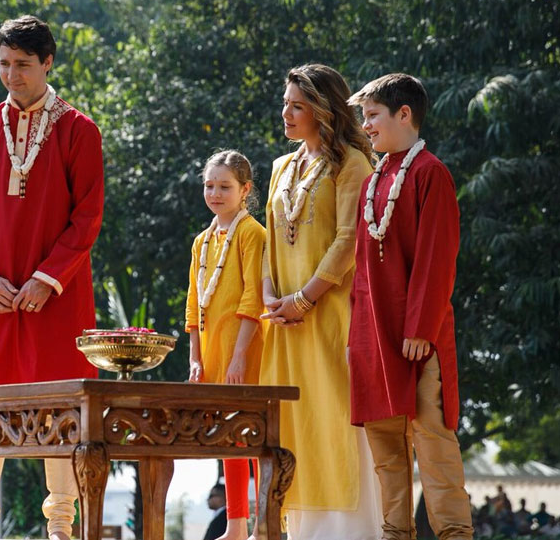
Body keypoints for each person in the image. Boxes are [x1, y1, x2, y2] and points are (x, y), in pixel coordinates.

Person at [0, 15, 104, 540]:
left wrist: (47, 278)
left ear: (48, 63)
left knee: (62, 410)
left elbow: (87, 218)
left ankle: (61, 529)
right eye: (3, 64)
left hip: (56, 300)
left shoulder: (79, 130)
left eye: (22, 64)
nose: (11, 75)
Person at [258, 63, 383, 540]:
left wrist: (304, 300)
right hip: (283, 322)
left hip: (330, 315)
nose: (286, 113)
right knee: (290, 421)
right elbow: (271, 240)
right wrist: (273, 298)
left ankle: (348, 532)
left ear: (324, 110)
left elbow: (348, 240)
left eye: (297, 105)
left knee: (332, 416)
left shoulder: (353, 163)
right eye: (285, 103)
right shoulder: (280, 167)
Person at [348, 73, 474, 540]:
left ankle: (456, 535)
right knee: (385, 447)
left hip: (418, 338)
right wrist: (359, 338)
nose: (367, 127)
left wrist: (420, 327)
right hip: (374, 337)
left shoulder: (430, 173)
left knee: (432, 439)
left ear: (405, 115)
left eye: (373, 116)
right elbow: (363, 271)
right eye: (364, 118)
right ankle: (394, 535)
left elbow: (437, 258)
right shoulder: (372, 182)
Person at [186, 150, 265, 540]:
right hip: (212, 352)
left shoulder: (253, 234)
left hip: (245, 353)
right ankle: (235, 525)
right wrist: (195, 359)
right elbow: (192, 306)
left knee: (253, 436)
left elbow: (253, 299)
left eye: (225, 186)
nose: (215, 193)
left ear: (245, 190)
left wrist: (238, 357)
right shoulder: (202, 241)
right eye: (209, 185)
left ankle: (264, 523)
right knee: (226, 437)